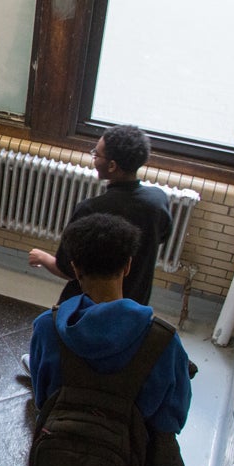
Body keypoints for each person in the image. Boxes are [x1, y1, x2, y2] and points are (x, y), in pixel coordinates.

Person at [7, 213, 191, 466]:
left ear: (74, 267)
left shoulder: (48, 326)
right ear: (128, 265)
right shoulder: (163, 341)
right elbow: (171, 414)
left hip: (56, 438)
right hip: (119, 458)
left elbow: (41, 395)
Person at [22, 124, 172, 374]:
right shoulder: (158, 200)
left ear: (112, 166)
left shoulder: (91, 209)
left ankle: (43, 370)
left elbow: (67, 268)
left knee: (68, 341)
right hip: (135, 294)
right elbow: (161, 236)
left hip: (88, 300)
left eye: (96, 154)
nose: (94, 158)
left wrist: (42, 257)